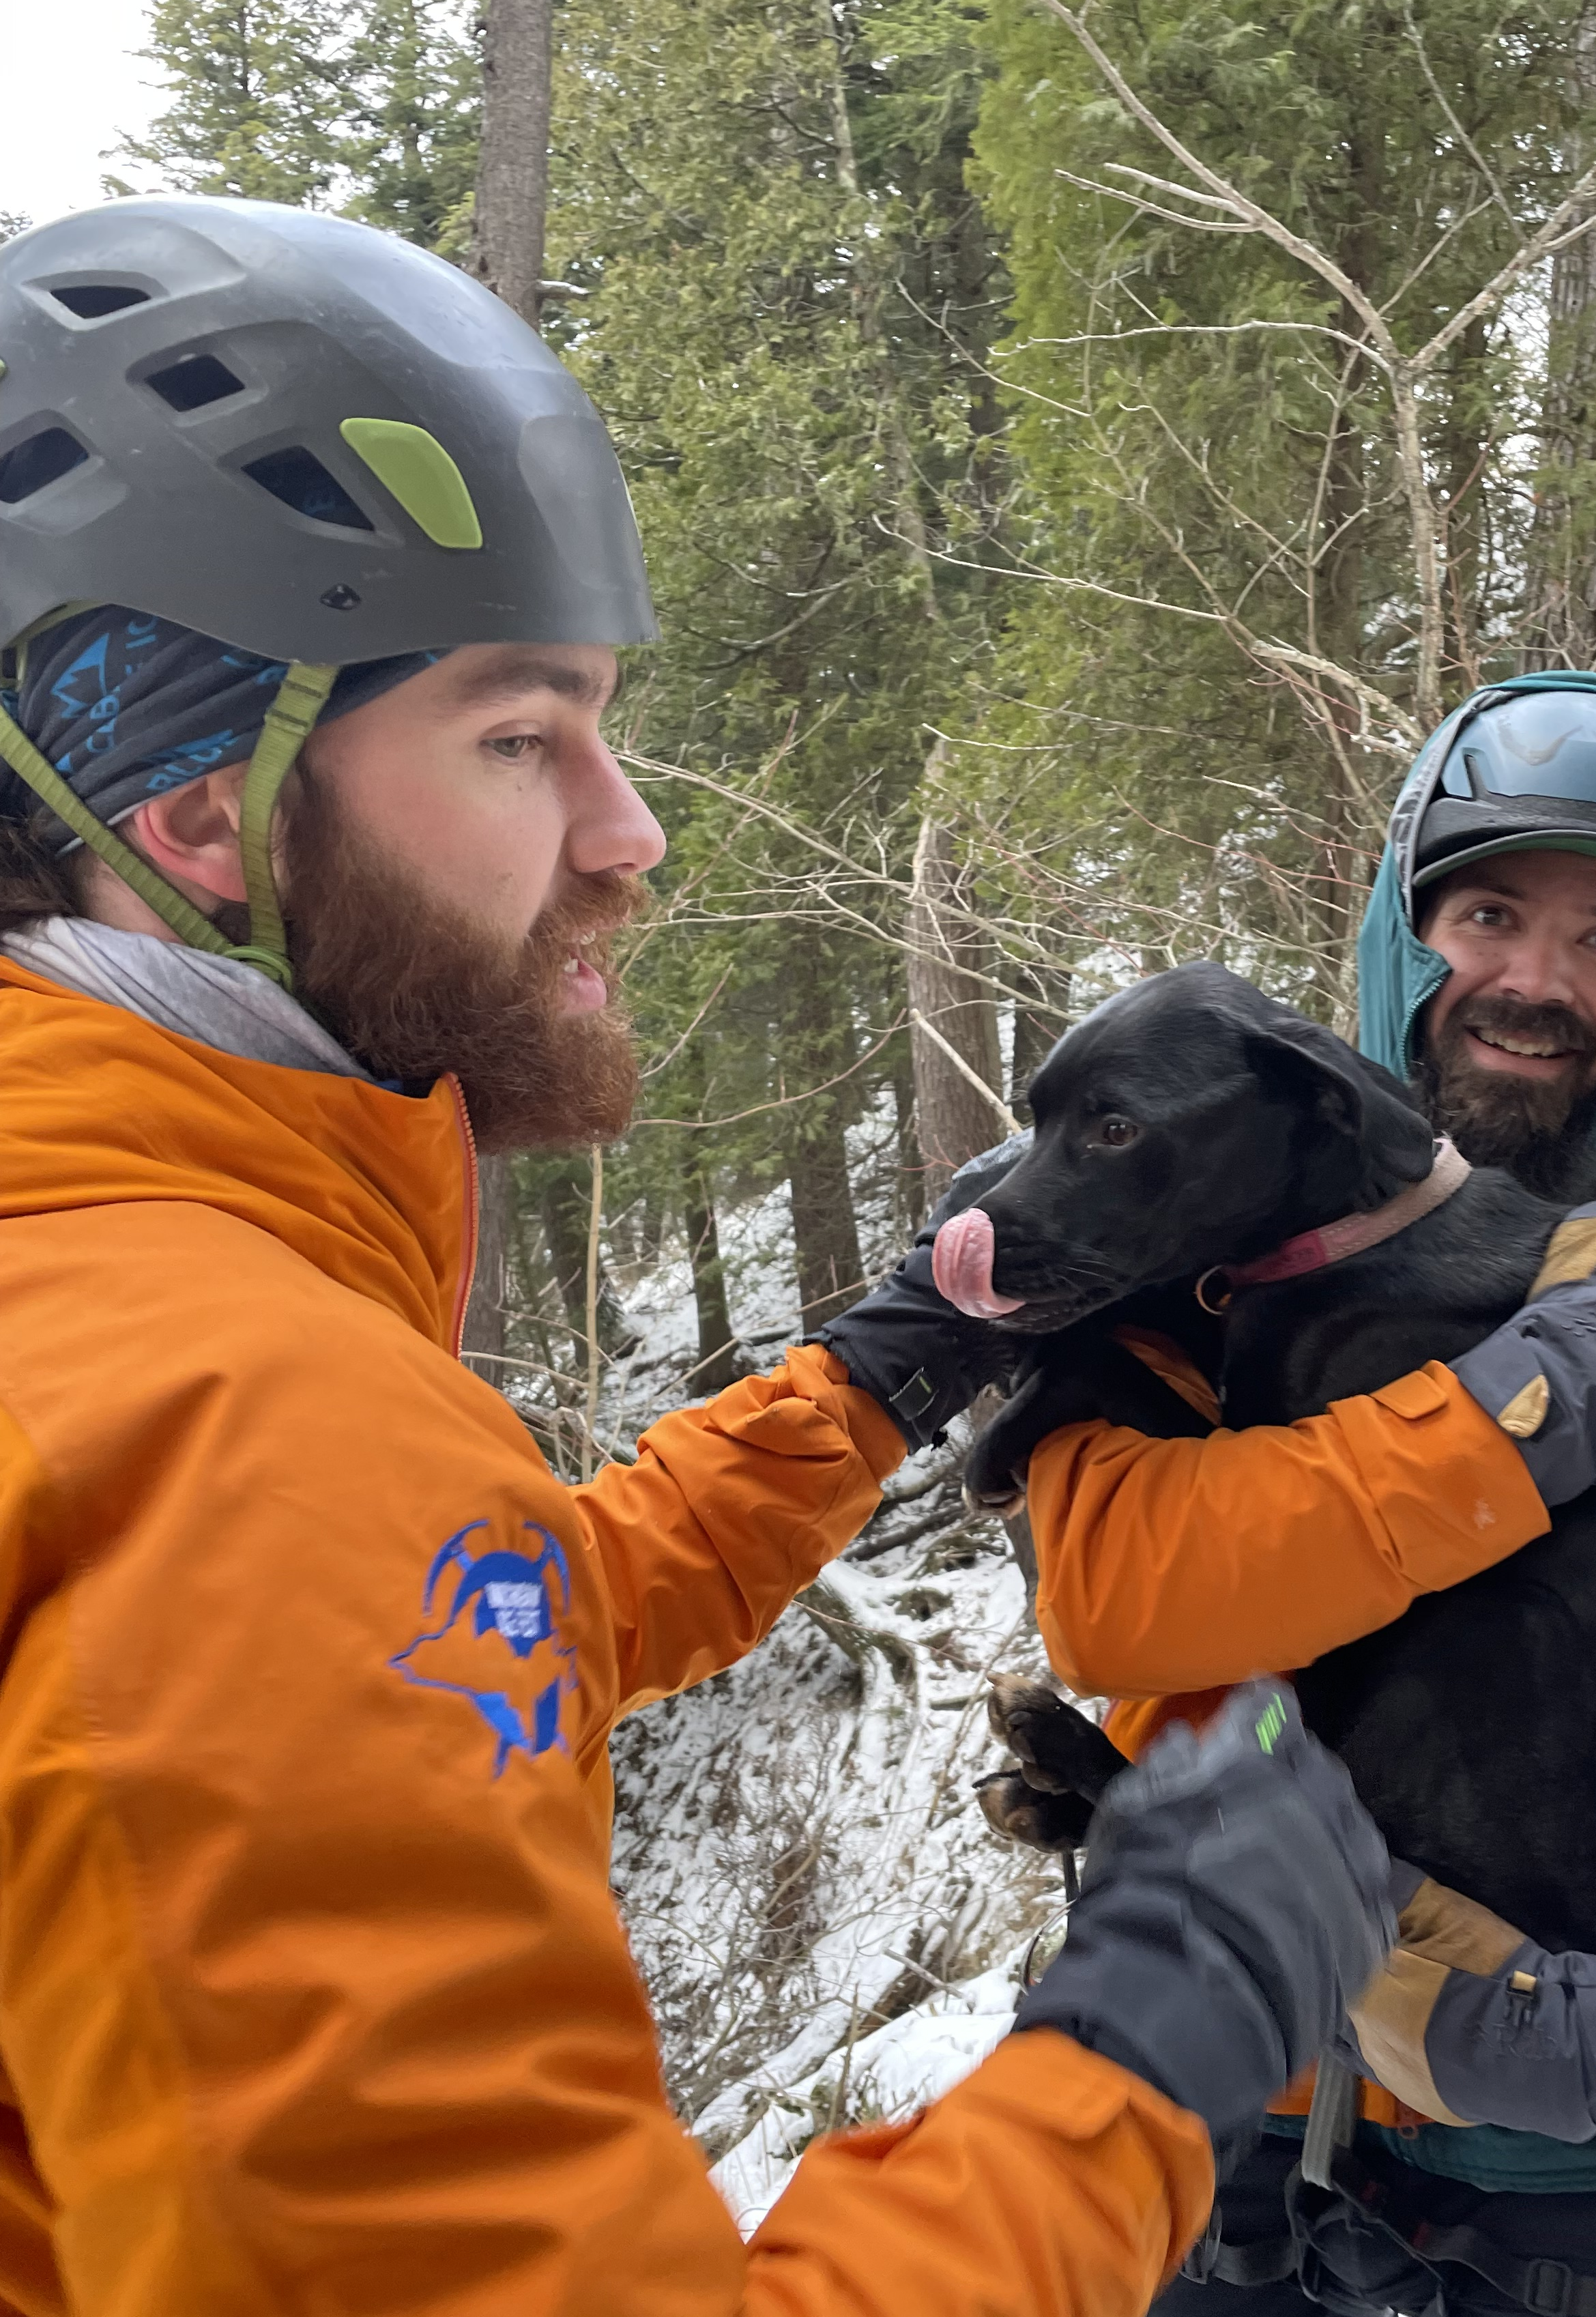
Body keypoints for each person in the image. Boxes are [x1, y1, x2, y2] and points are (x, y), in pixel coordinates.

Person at [0, 195, 1405, 2314]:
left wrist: (865, 1383)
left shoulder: (104, 1302)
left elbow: (466, 1626)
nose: (628, 829)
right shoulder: (236, 1429)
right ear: (200, 813)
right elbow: (298, 1574)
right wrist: (1142, 2059)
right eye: (516, 730)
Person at [924, 676, 1596, 2312]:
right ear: (1399, 923)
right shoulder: (1189, 1243)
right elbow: (1121, 1593)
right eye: (1490, 911)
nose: (1536, 982)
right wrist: (1532, 1418)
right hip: (1214, 2092)